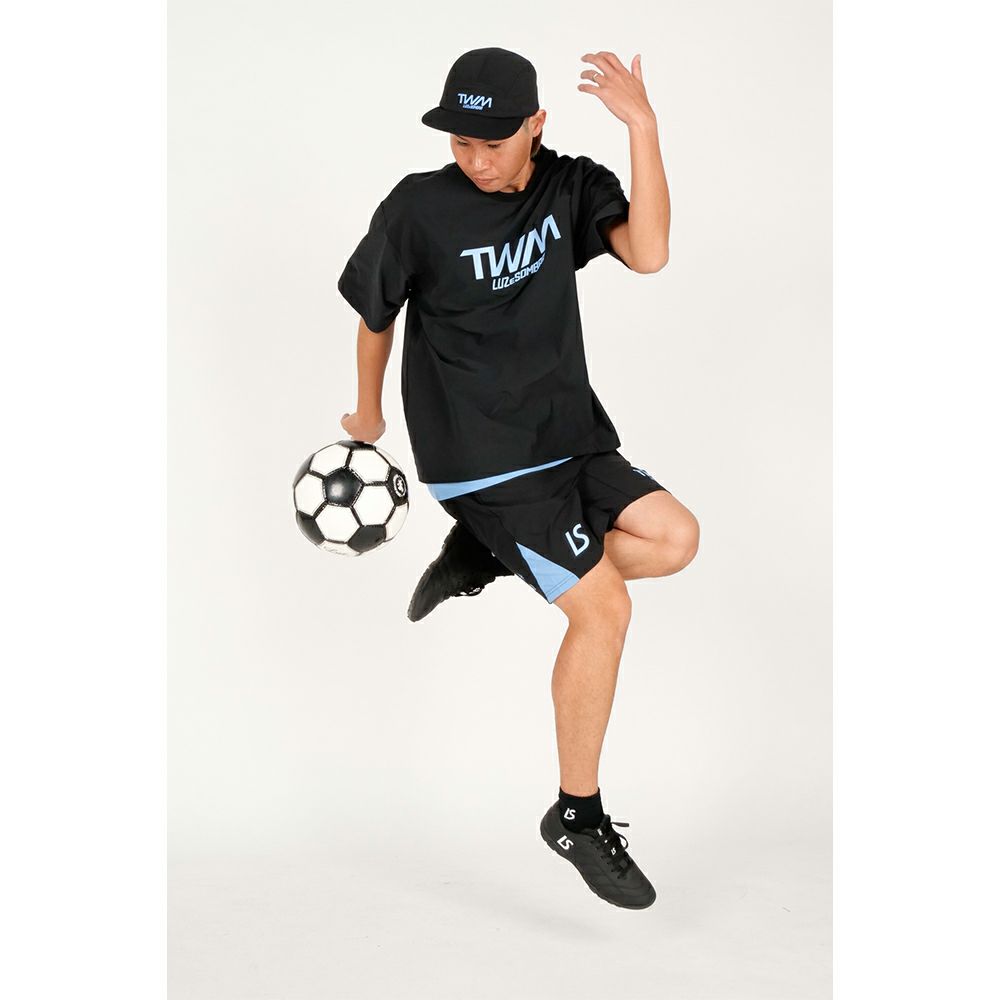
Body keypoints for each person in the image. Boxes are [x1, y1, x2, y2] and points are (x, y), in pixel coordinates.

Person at [337, 46, 699, 910]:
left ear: (536, 124)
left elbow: (649, 253)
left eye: (493, 142)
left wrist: (643, 126)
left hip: (567, 434)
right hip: (481, 453)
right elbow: (375, 313)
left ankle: (491, 555)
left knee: (674, 538)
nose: (476, 159)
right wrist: (368, 414)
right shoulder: (418, 207)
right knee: (603, 609)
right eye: (461, 141)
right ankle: (577, 814)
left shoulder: (569, 186)